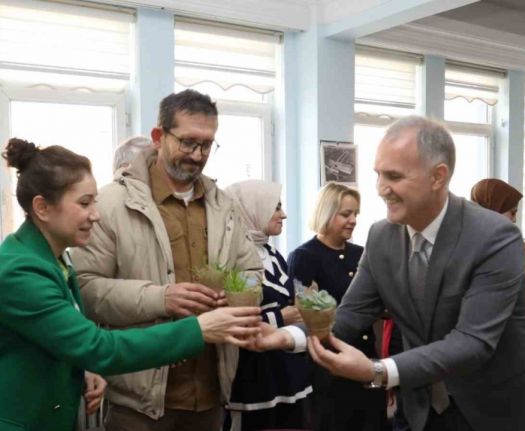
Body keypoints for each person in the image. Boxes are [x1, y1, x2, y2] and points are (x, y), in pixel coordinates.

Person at [254, 116, 525, 431]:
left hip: (500, 411)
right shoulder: (381, 236)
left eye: (394, 176)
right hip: (423, 411)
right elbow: (351, 315)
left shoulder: (494, 236)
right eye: (378, 175)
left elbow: (473, 341)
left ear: (437, 176)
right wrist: (289, 336)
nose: (380, 189)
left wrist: (377, 371)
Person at [0, 138, 262, 431]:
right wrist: (199, 329)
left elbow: (53, 338)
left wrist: (80, 368)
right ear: (42, 208)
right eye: (84, 203)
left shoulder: (54, 259)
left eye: (95, 202)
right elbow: (98, 346)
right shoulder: (20, 271)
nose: (96, 215)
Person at [71, 89, 264, 431]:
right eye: (188, 142)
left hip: (210, 393)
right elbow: (86, 288)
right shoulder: (112, 203)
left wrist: (236, 295)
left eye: (207, 145)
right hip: (139, 401)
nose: (198, 155)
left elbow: (251, 271)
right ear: (158, 137)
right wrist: (162, 298)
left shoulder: (225, 206)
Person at [287, 182, 387, 431]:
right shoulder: (305, 256)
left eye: (356, 214)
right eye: (346, 214)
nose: (353, 220)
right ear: (326, 213)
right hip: (328, 364)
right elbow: (307, 312)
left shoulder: (361, 252)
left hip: (366, 357)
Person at [222, 180, 311, 431]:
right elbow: (232, 318)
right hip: (254, 377)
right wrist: (280, 318)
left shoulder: (272, 254)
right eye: (276, 207)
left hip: (287, 372)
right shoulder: (234, 258)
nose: (283, 214)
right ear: (253, 209)